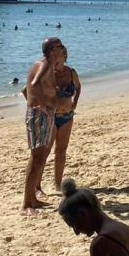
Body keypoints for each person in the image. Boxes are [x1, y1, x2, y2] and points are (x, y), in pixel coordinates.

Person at [21, 38, 62, 216]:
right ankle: (25, 205)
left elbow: (26, 89)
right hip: (39, 115)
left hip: (40, 114)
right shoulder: (44, 64)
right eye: (60, 47)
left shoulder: (44, 64)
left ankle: (32, 199)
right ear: (53, 50)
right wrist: (44, 105)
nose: (62, 50)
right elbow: (34, 84)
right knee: (37, 157)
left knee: (38, 157)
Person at [49, 47, 81, 193]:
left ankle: (57, 184)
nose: (55, 58)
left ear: (64, 56)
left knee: (61, 151)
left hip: (67, 117)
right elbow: (28, 90)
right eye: (53, 55)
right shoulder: (48, 74)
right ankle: (37, 187)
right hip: (51, 117)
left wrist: (74, 103)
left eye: (57, 55)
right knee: (44, 152)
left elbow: (79, 87)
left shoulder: (71, 72)